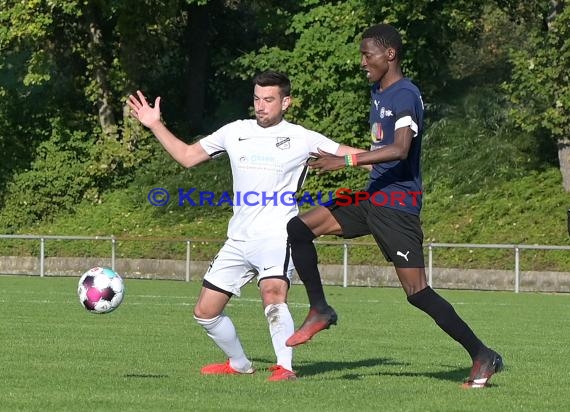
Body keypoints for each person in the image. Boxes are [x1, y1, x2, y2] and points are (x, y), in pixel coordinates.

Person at [284, 24, 504, 389]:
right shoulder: (378, 90)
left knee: (417, 292)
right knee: (298, 228)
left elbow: (401, 149)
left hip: (397, 205)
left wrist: (347, 162)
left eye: (367, 55)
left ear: (390, 55)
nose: (362, 62)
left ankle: (483, 354)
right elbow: (382, 148)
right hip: (372, 196)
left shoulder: (406, 95)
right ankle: (320, 309)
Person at [127, 71, 364, 381]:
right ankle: (239, 363)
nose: (261, 106)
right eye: (256, 99)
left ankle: (286, 368)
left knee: (273, 292)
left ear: (286, 102)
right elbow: (187, 156)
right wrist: (155, 124)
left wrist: (395, 154)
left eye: (268, 99)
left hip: (278, 235)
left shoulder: (303, 138)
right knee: (205, 311)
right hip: (238, 238)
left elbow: (359, 156)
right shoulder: (234, 131)